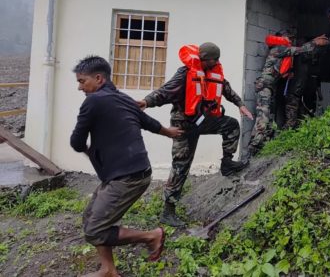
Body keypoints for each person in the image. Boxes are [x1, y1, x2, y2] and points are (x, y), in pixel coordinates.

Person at [70, 55, 182, 277]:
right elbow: (148, 123)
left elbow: (76, 142)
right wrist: (168, 132)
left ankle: (151, 236)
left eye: (82, 81)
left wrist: (90, 151)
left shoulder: (93, 101)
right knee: (90, 218)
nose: (80, 87)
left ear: (99, 78)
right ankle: (108, 270)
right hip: (130, 173)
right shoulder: (124, 99)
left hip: (127, 178)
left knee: (94, 230)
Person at [137, 42, 254, 227]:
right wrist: (147, 102)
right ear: (205, 59)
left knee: (231, 125)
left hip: (202, 120)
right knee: (181, 165)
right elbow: (165, 92)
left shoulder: (213, 71)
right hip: (183, 125)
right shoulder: (185, 73)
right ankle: (168, 211)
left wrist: (240, 104)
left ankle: (227, 163)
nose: (217, 62)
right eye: (214, 59)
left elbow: (226, 88)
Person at [248, 31, 329, 156]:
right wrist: (315, 42)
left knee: (270, 119)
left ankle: (262, 149)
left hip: (270, 88)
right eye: (289, 38)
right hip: (265, 87)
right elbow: (300, 50)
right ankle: (252, 150)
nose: (291, 40)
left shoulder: (281, 50)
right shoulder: (279, 48)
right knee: (263, 119)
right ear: (281, 38)